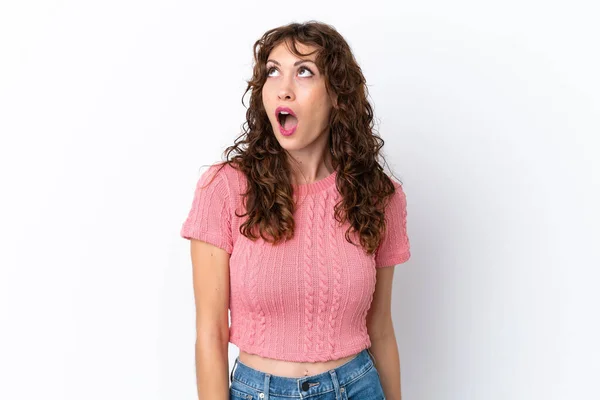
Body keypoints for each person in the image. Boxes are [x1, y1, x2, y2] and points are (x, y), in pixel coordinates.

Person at [180, 20, 411, 400]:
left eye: (304, 72)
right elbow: (210, 333)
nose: (283, 89)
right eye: (273, 71)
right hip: (259, 391)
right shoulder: (225, 190)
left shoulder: (379, 196)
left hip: (358, 387)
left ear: (338, 95)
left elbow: (381, 328)